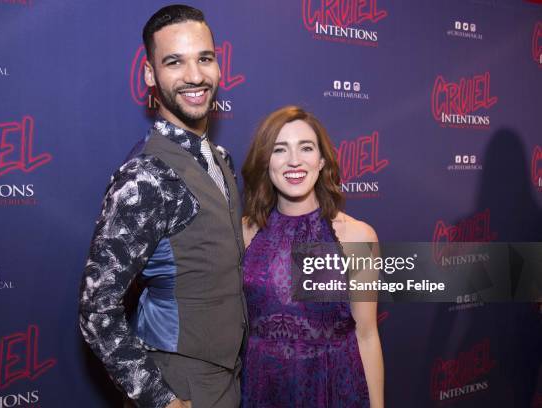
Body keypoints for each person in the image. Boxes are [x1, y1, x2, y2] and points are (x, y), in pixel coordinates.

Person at [79, 5, 247, 408]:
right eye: (174, 62)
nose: (194, 76)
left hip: (228, 376)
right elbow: (96, 309)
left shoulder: (220, 158)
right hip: (180, 383)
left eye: (204, 58)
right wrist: (162, 400)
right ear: (151, 75)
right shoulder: (146, 176)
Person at [240, 106, 384, 407]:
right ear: (266, 162)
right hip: (264, 389)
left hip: (333, 389)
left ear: (321, 161)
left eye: (306, 148)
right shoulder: (244, 233)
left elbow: (367, 335)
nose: (294, 160)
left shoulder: (356, 236)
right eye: (280, 150)